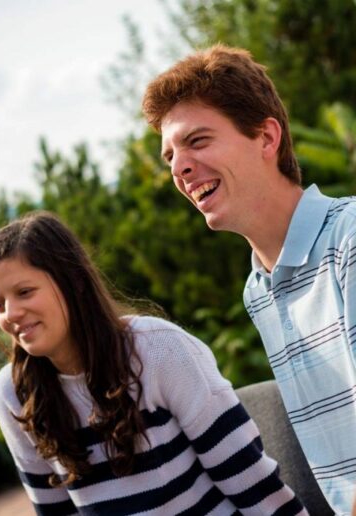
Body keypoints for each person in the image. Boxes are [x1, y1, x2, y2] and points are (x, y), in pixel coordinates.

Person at [0, 211, 307, 515]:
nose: (10, 314)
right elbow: (55, 512)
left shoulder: (157, 349)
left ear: (72, 281)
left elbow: (249, 479)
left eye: (24, 292)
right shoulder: (13, 392)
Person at [142, 44, 356, 514]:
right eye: (170, 156)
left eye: (198, 141)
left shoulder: (349, 239)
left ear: (266, 137)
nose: (178, 167)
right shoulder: (259, 289)